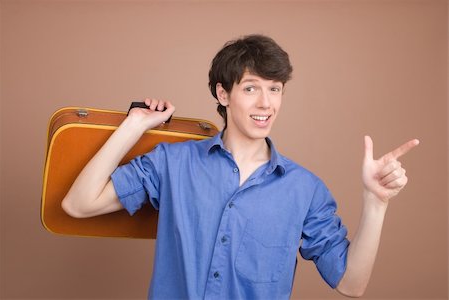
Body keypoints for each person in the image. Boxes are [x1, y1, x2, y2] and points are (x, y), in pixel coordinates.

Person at [61, 34, 419, 299]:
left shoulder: (304, 189)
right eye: (251, 89)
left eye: (275, 89)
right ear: (222, 94)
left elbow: (350, 284)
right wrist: (135, 125)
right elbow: (78, 204)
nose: (266, 103)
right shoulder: (173, 162)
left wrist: (376, 203)